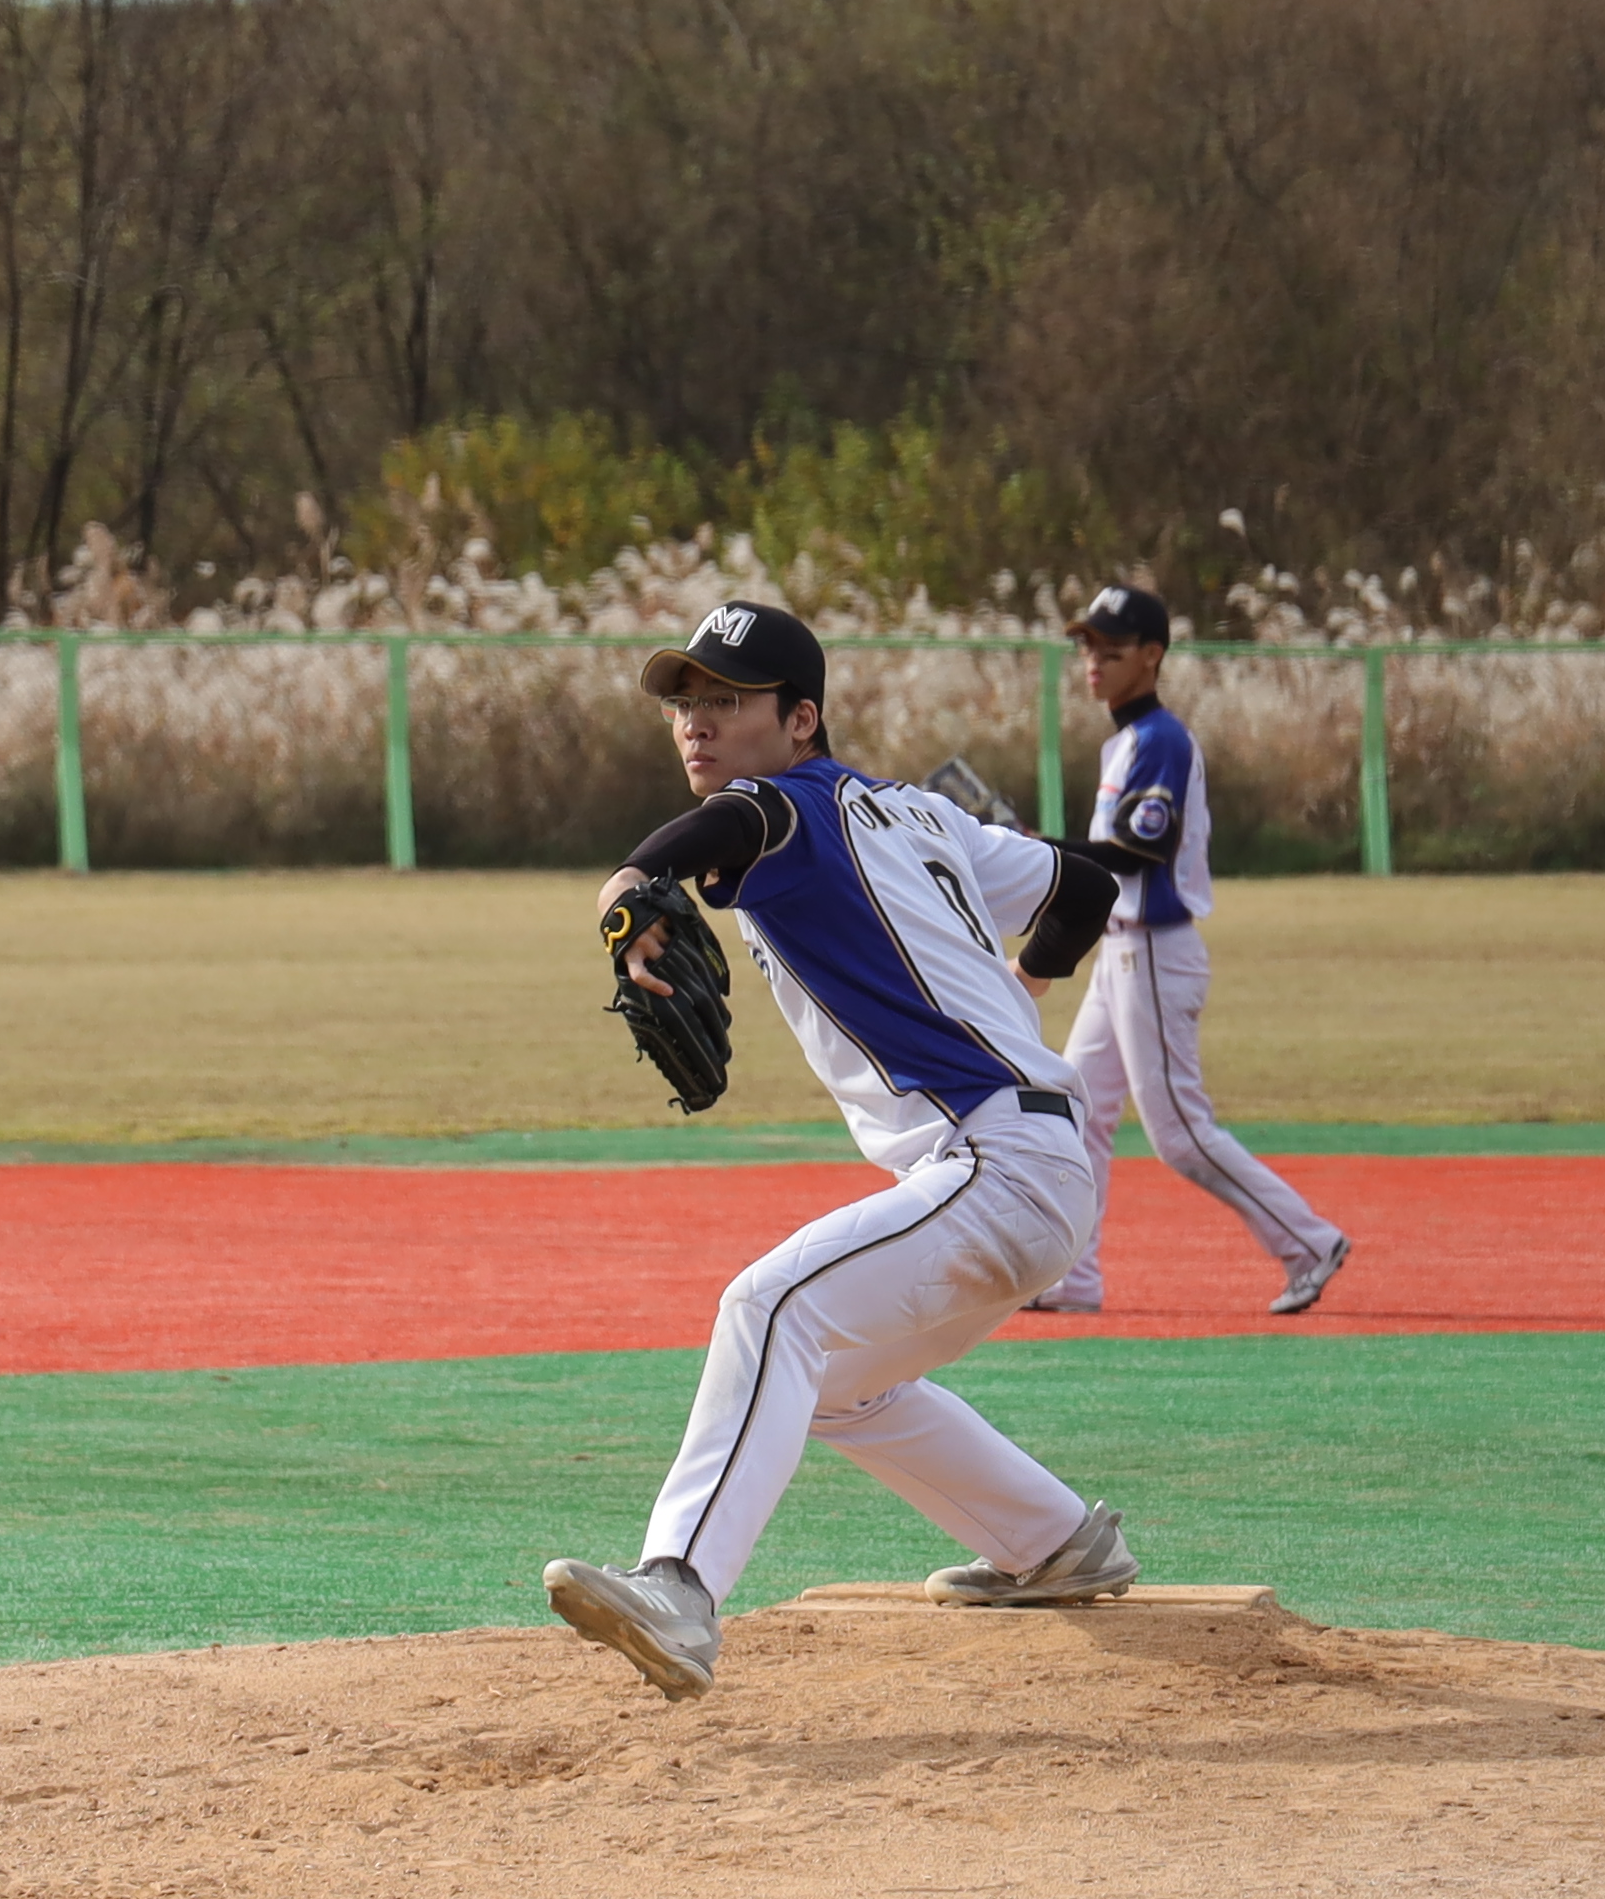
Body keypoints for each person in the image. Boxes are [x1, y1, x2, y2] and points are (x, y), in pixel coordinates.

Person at [543, 599, 1139, 1702]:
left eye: (727, 700)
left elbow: (725, 832)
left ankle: (678, 1586)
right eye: (685, 702)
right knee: (837, 1383)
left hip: (993, 1166)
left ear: (802, 718)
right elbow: (1087, 886)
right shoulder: (920, 814)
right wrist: (1025, 989)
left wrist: (628, 892)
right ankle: (1055, 1540)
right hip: (1027, 1171)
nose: (696, 723)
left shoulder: (784, 806)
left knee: (772, 1310)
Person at [1031, 585, 1353, 1318]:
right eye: (1087, 649)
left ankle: (1308, 1242)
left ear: (1152, 657)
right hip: (1121, 958)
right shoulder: (1126, 742)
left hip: (1152, 953)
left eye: (1111, 651)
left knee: (1178, 1134)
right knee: (1078, 1112)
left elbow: (1143, 850)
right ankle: (1074, 1278)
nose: (1093, 663)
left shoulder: (1162, 742)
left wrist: (1042, 849)